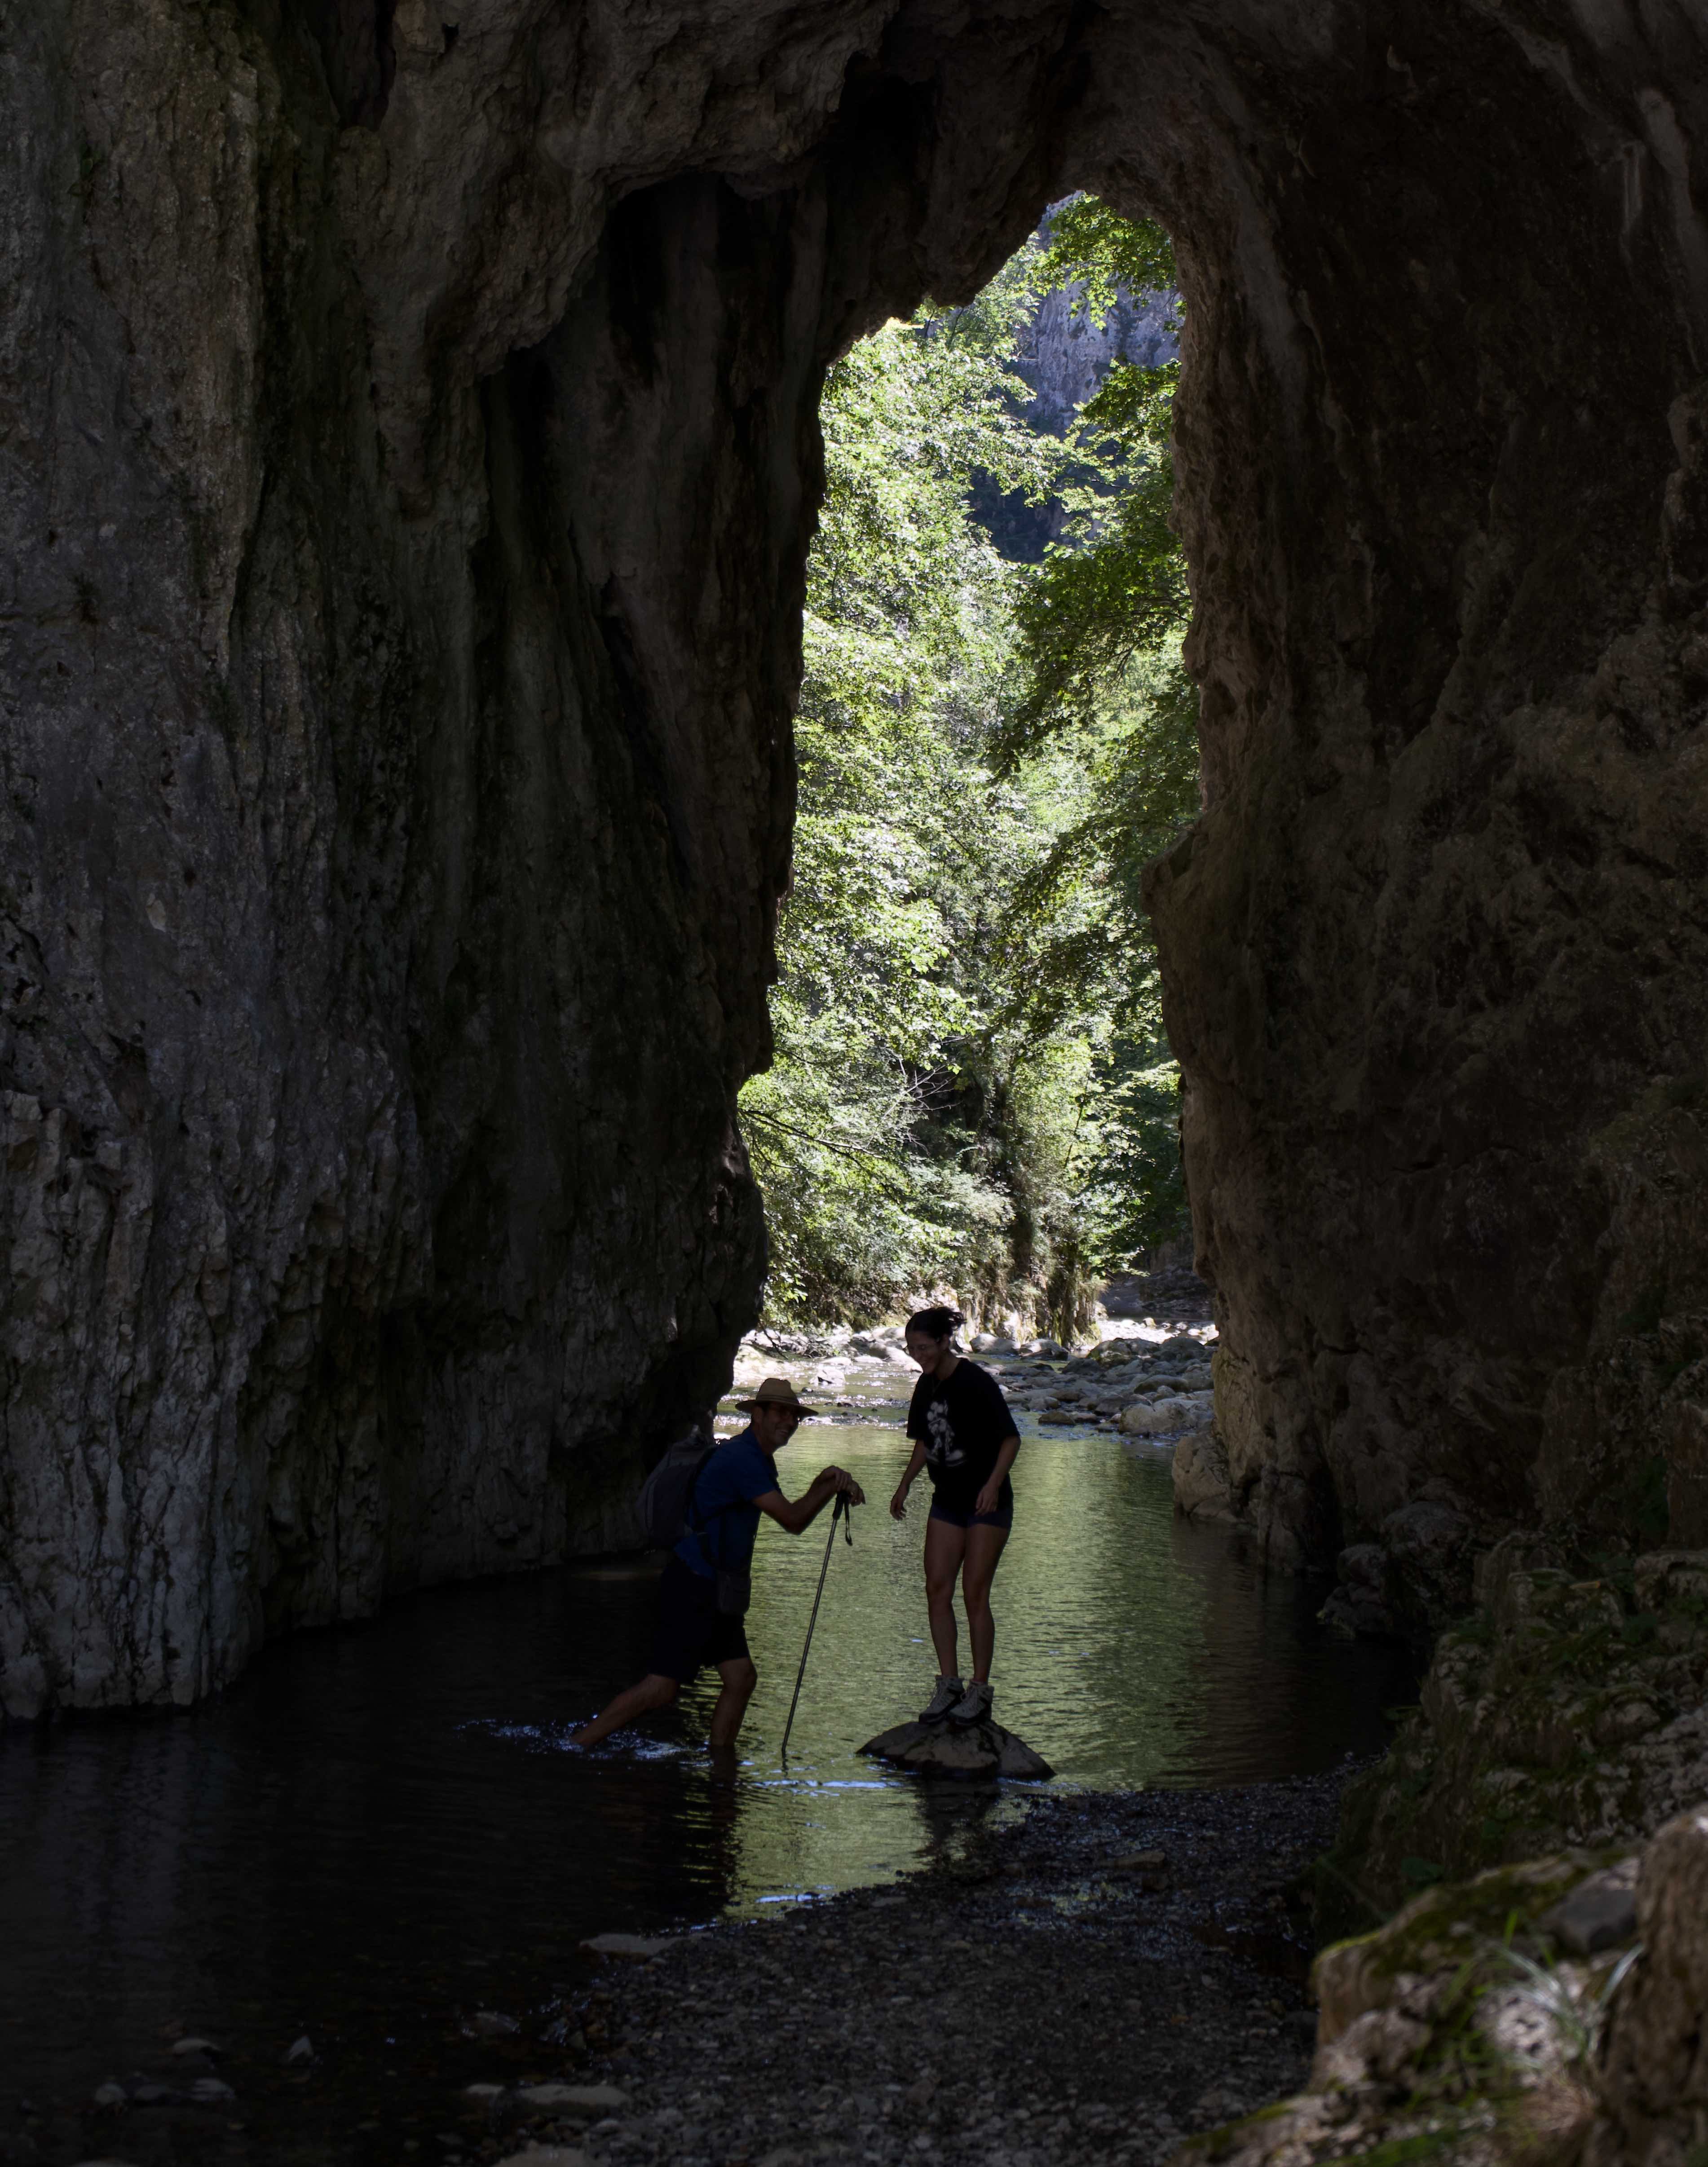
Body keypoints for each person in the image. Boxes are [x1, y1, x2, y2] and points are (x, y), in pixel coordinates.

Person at [571, 1378, 864, 1751]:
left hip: (716, 1589)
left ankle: (720, 1765)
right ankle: (577, 1745)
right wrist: (829, 1484)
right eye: (779, 1412)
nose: (788, 1421)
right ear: (756, 1415)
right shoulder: (742, 1459)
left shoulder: (756, 1457)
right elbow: (792, 1519)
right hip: (692, 1586)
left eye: (794, 1415)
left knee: (740, 1678)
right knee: (661, 1688)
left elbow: (790, 1511)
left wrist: (827, 1480)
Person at [889, 1304, 1021, 1726]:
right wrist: (906, 1482)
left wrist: (992, 1484)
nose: (918, 1355)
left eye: (923, 1347)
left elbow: (1010, 1440)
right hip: (947, 1499)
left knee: (974, 1594)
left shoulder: (975, 1381)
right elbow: (925, 1442)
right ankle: (949, 1683)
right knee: (936, 1589)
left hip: (987, 1502)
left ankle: (979, 1691)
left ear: (945, 1342)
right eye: (911, 1349)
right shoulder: (925, 1387)